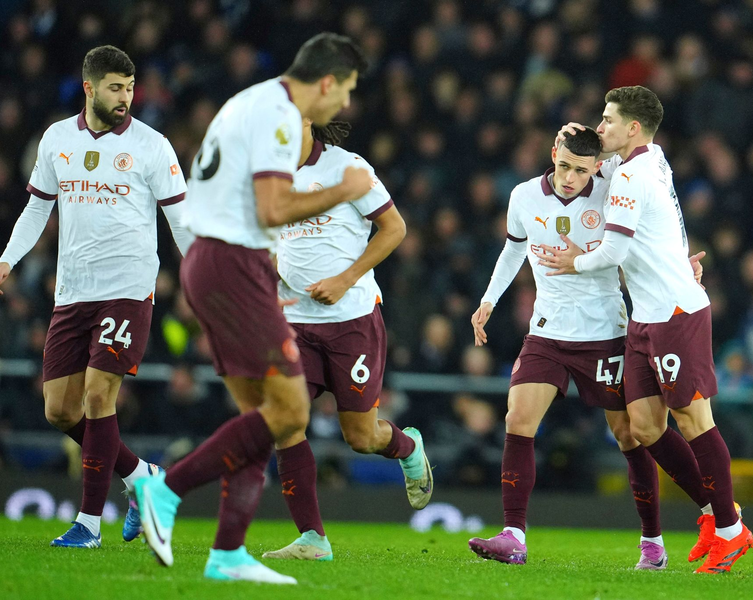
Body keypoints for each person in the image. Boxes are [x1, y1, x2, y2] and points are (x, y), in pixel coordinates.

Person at [135, 33, 373, 584]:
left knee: (258, 418)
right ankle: (164, 490)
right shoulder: (280, 115)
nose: (345, 106)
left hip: (217, 261)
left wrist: (260, 276)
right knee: (291, 412)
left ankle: (227, 554)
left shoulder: (248, 101)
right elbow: (272, 208)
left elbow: (230, 198)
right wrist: (343, 190)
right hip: (231, 263)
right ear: (328, 81)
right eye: (348, 91)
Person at [537, 86, 753, 574]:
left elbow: (613, 253)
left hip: (676, 314)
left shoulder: (634, 174)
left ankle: (730, 532)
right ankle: (715, 515)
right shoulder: (646, 159)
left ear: (633, 128)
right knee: (644, 426)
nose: (600, 127)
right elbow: (654, 214)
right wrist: (568, 141)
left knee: (695, 421)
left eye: (608, 120)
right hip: (645, 317)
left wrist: (574, 261)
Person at [0, 45, 194, 548]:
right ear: (89, 88)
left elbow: (181, 221)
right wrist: (6, 259)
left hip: (128, 288)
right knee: (60, 410)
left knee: (98, 395)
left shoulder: (153, 146)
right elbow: (36, 210)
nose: (125, 97)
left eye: (130, 88)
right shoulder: (57, 140)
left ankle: (88, 525)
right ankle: (143, 478)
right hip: (73, 290)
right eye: (115, 88)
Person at [467, 128, 678, 569]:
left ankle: (652, 541)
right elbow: (512, 250)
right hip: (547, 330)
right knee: (518, 419)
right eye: (563, 165)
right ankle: (514, 535)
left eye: (581, 169)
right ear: (553, 155)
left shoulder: (613, 190)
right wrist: (488, 301)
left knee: (629, 434)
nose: (569, 177)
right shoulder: (524, 196)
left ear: (597, 167)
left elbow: (649, 179)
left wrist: (683, 264)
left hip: (606, 333)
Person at [262, 119, 430, 561]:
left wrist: (344, 278)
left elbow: (395, 229)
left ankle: (407, 446)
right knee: (285, 420)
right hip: (296, 323)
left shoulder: (347, 167)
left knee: (360, 436)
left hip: (351, 319)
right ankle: (312, 538)